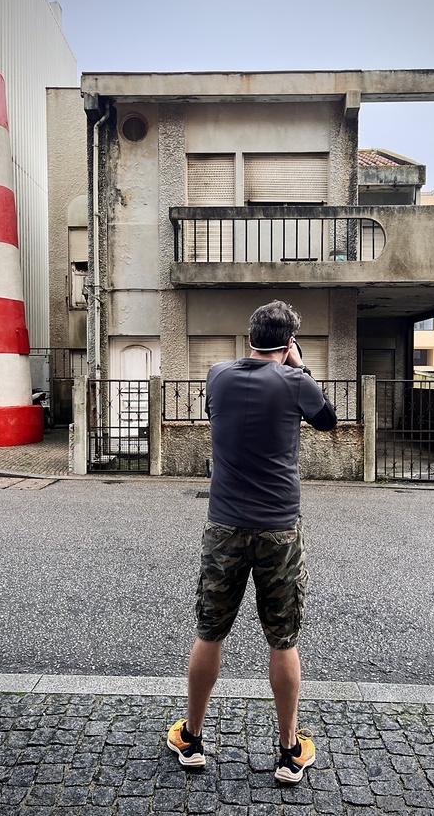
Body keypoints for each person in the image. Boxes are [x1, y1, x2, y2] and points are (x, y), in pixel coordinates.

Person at [167, 300, 337, 783]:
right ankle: (288, 751)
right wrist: (299, 367)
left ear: (249, 340)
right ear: (289, 344)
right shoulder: (296, 381)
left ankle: (193, 738)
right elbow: (329, 420)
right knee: (282, 639)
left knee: (209, 631)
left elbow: (218, 410)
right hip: (280, 528)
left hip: (224, 525)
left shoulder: (217, 375)